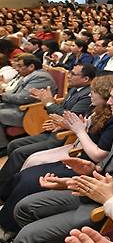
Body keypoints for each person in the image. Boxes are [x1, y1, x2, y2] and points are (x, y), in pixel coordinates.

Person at [10, 78, 113, 243]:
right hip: (96, 183)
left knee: (26, 239)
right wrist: (91, 168)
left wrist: (80, 180)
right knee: (24, 207)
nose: (108, 102)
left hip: (106, 199)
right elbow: (108, 162)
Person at [0, 75, 113, 241]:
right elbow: (87, 130)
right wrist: (71, 126)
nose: (90, 95)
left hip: (88, 166)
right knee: (26, 172)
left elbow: (99, 154)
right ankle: (6, 209)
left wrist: (78, 129)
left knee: (29, 179)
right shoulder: (99, 111)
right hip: (80, 157)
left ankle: (8, 227)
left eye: (94, 92)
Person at [0, 63, 95, 194]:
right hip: (54, 130)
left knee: (19, 153)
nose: (69, 75)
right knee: (14, 144)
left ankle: (3, 191)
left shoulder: (87, 95)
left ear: (86, 79)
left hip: (64, 137)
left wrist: (49, 103)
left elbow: (69, 117)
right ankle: (9, 183)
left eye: (73, 74)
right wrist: (48, 104)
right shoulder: (75, 89)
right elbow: (62, 109)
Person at [0, 54, 57, 153]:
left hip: (30, 112)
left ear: (31, 66)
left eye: (20, 66)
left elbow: (23, 98)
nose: (17, 69)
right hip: (19, 107)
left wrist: (2, 96)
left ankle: (3, 147)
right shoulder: (30, 75)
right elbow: (15, 93)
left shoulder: (40, 77)